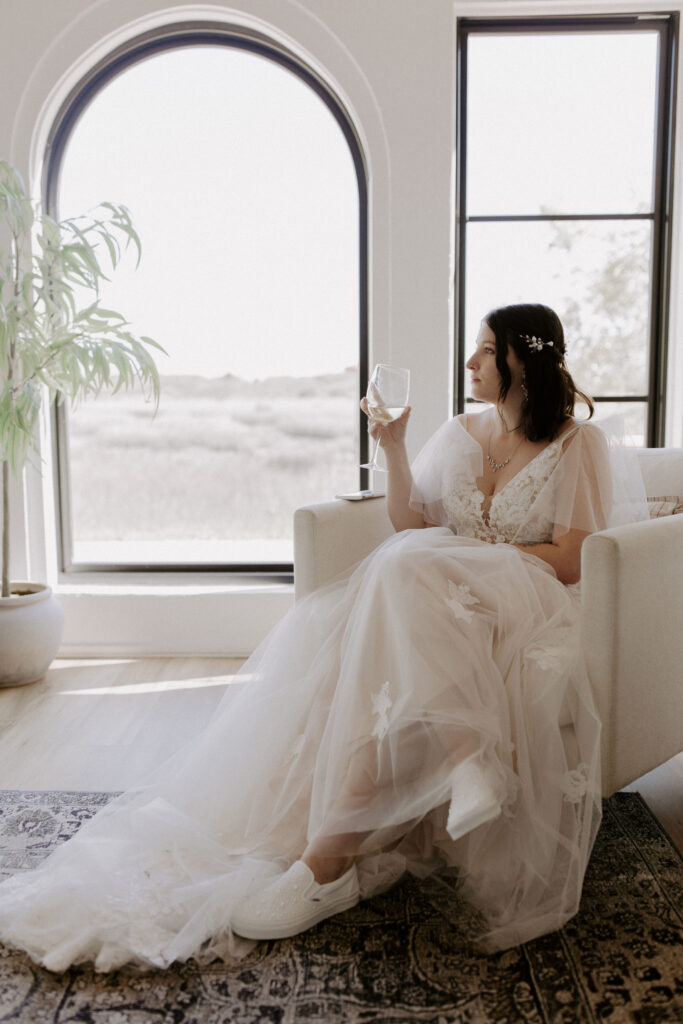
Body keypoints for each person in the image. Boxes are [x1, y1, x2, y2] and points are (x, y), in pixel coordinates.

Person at [0, 303, 647, 972]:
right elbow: (409, 520)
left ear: (522, 358)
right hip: (438, 602)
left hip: (526, 604)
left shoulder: (578, 443)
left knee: (407, 571)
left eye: (484, 351)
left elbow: (573, 557)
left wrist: (465, 561)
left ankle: (335, 856)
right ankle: (442, 773)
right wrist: (393, 449)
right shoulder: (459, 431)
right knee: (402, 572)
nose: (469, 363)